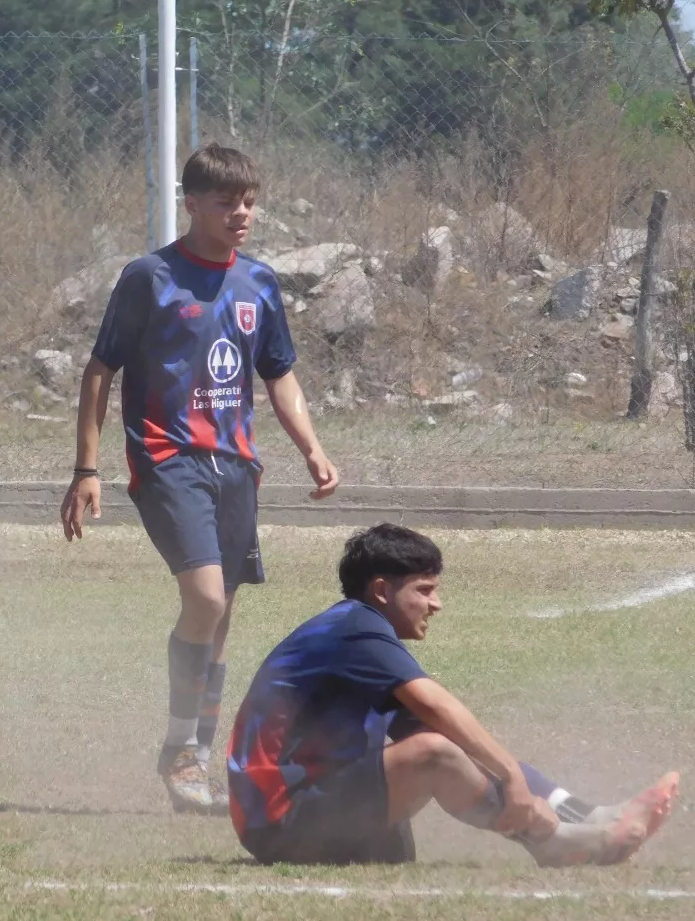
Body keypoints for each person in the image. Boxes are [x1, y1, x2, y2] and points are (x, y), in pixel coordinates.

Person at [61, 143, 339, 813]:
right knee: (206, 601)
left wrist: (311, 446)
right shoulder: (149, 277)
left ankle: (196, 765)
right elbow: (101, 369)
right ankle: (179, 749)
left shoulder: (260, 283)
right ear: (191, 202)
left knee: (220, 621)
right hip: (167, 459)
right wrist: (86, 468)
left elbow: (279, 374)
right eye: (226, 202)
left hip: (235, 465)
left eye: (248, 201)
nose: (241, 213)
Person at [227, 523, 679, 866]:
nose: (436, 604)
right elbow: (437, 707)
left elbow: (446, 731)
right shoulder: (354, 627)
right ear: (381, 590)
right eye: (424, 590)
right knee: (433, 752)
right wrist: (513, 781)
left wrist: (556, 799)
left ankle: (586, 815)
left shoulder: (360, 639)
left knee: (438, 743)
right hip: (281, 820)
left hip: (318, 806)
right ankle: (552, 843)